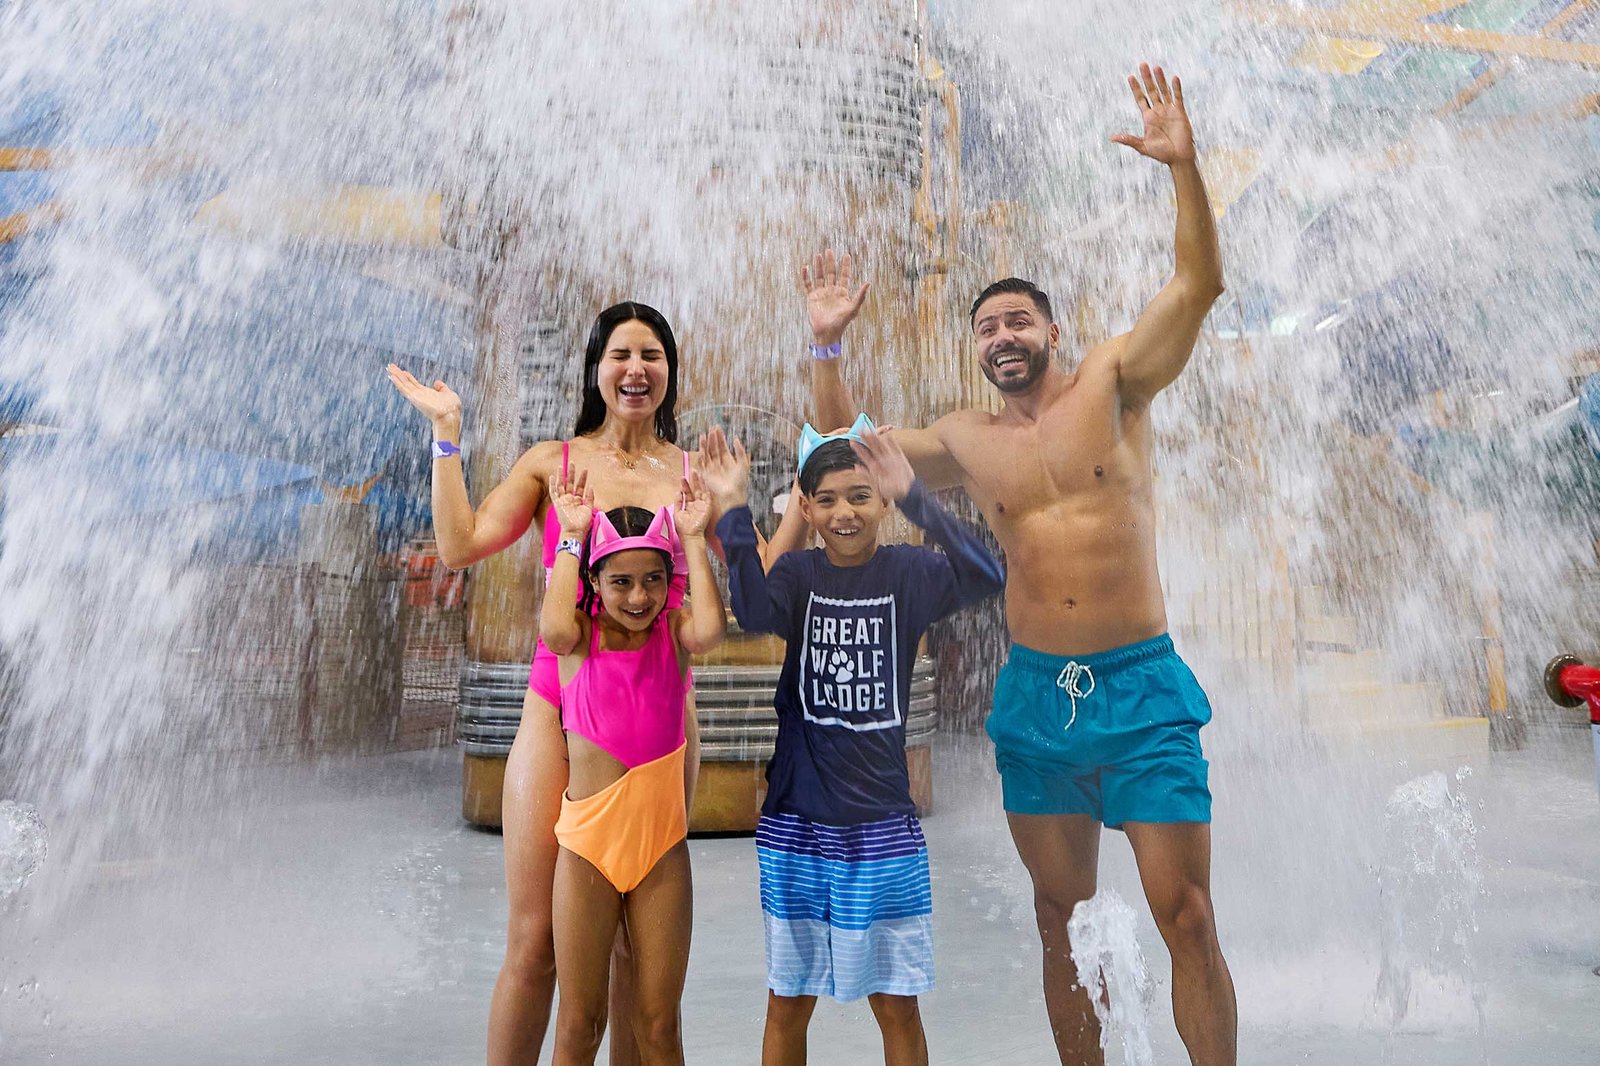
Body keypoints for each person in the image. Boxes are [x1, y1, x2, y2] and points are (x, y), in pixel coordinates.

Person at [804, 66, 1238, 1066]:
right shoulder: (967, 439)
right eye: (987, 328)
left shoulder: (1116, 382)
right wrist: (826, 346)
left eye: (1017, 322)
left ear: (1053, 330)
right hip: (1040, 696)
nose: (1003, 336)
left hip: (1141, 687)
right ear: (979, 350)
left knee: (1189, 916)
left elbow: (1199, 286)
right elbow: (846, 448)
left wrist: (1185, 170)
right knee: (1059, 917)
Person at [386, 301, 701, 1065]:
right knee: (535, 944)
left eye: (651, 355)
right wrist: (447, 435)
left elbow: (720, 597)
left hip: (660, 719)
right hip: (557, 708)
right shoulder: (549, 464)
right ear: (596, 368)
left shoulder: (691, 475)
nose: (636, 369)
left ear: (669, 371)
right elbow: (459, 546)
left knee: (639, 961)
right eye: (621, 354)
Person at [700, 421, 1004, 1066]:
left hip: (883, 827)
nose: (845, 512)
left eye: (862, 496)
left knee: (898, 1002)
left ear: (883, 503)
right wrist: (731, 506)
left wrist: (918, 494)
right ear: (805, 509)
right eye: (829, 499)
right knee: (788, 998)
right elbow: (750, 612)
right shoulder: (797, 577)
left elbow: (985, 573)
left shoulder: (912, 572)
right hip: (796, 823)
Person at [540, 468, 725, 1065]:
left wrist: (692, 539)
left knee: (659, 1026)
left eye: (652, 580)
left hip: (661, 852)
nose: (639, 597)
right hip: (589, 850)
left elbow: (712, 628)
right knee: (578, 1023)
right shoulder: (579, 639)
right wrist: (572, 533)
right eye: (620, 582)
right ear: (594, 580)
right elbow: (552, 624)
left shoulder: (674, 633)